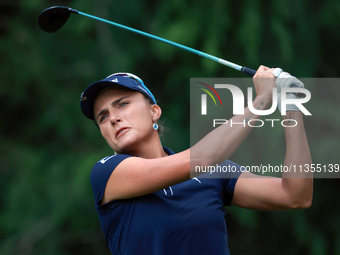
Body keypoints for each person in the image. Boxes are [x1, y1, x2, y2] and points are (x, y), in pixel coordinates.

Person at [80, 66, 313, 255]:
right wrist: (262, 99)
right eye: (103, 117)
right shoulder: (107, 173)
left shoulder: (214, 171)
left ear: (154, 111)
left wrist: (291, 109)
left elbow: (295, 195)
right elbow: (204, 157)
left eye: (122, 104)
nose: (113, 118)